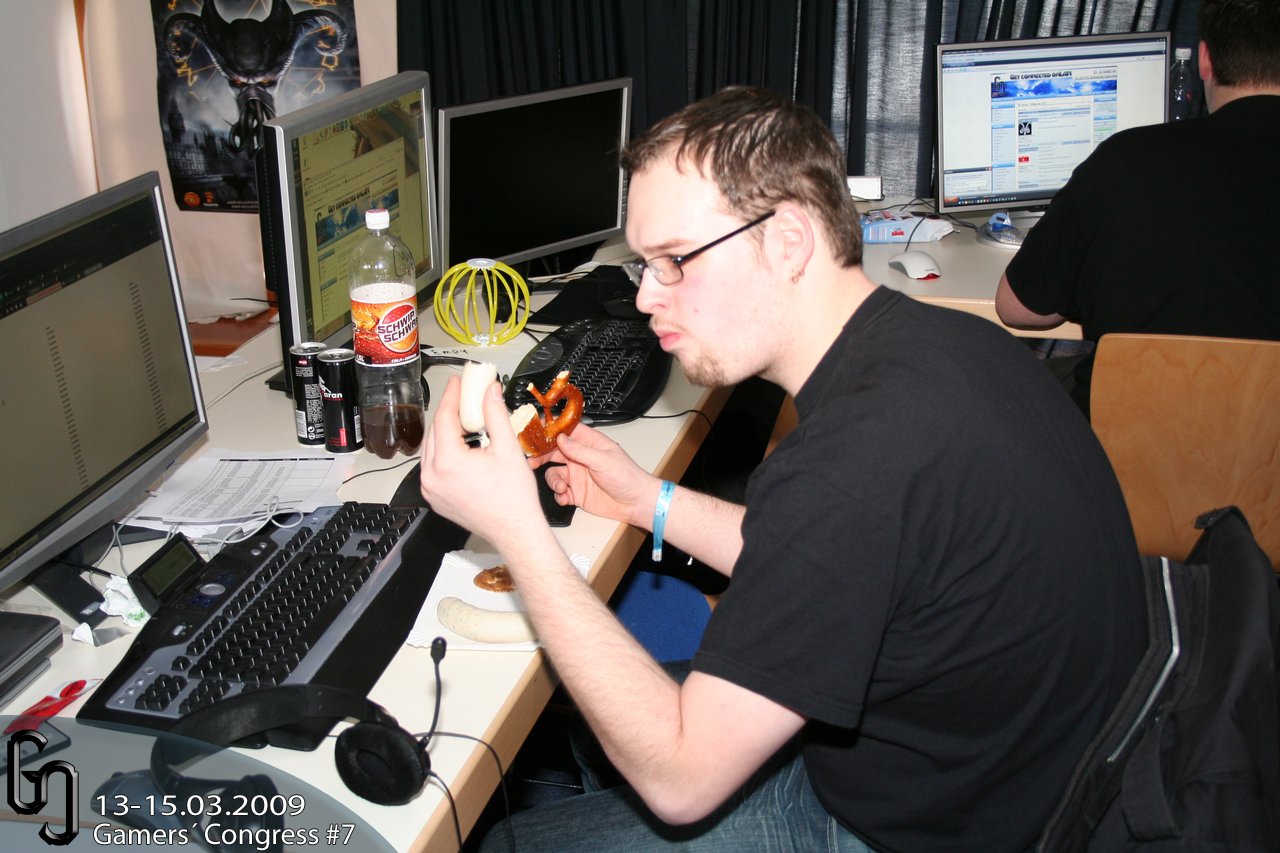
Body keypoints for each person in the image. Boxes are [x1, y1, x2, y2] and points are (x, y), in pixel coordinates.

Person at [419, 86, 1146, 852]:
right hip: (1016, 766)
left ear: (789, 240)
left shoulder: (852, 462)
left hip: (936, 828)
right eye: (643, 264)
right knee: (590, 728)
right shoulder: (939, 345)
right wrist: (645, 500)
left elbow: (680, 780)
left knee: (505, 841)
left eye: (673, 260)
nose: (645, 296)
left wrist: (519, 531)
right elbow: (831, 557)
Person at [996, 0, 1280, 417]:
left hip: (1122, 441)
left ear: (1204, 59)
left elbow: (1018, 308)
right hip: (1266, 445)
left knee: (1009, 387)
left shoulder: (1125, 159)